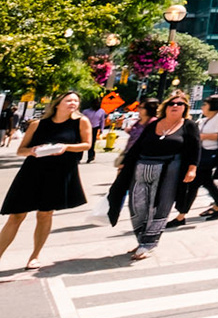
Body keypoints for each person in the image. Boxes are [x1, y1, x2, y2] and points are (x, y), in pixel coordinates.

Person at [0, 91, 91, 270]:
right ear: (57, 104)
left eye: (76, 101)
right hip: (32, 172)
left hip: (59, 173)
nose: (73, 103)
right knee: (16, 215)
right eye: (69, 100)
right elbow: (21, 150)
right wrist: (33, 150)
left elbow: (87, 144)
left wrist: (65, 147)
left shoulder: (81, 122)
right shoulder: (38, 124)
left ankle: (34, 256)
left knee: (45, 214)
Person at [107, 94, 199, 260]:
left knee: (160, 206)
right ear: (166, 106)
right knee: (137, 204)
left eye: (180, 103)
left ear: (185, 108)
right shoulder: (155, 124)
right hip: (142, 168)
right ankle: (142, 239)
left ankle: (148, 244)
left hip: (170, 170)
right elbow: (138, 146)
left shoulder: (189, 125)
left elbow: (195, 148)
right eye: (172, 103)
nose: (175, 105)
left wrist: (192, 169)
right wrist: (125, 164)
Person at [193, 96, 218, 218]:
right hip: (204, 151)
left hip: (213, 152)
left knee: (202, 179)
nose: (202, 107)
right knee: (205, 180)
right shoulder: (206, 119)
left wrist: (204, 136)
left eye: (205, 104)